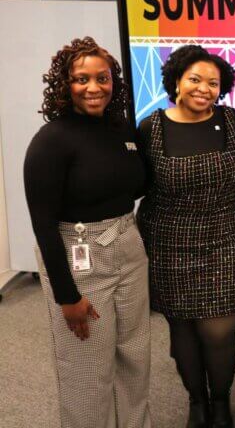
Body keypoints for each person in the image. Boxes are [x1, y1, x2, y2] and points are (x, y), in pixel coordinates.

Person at [24, 36, 151, 428]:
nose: (94, 87)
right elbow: (43, 224)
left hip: (128, 246)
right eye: (82, 79)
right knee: (86, 368)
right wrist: (67, 295)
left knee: (135, 357)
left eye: (103, 78)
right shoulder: (52, 140)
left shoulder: (122, 130)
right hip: (79, 257)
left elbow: (137, 187)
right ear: (65, 84)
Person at [137, 45, 235, 428]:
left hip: (224, 237)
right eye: (195, 79)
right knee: (182, 327)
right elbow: (139, 184)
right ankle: (196, 402)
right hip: (168, 240)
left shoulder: (232, 120)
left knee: (219, 330)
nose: (204, 88)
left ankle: (220, 403)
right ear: (177, 82)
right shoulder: (151, 127)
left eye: (213, 83)